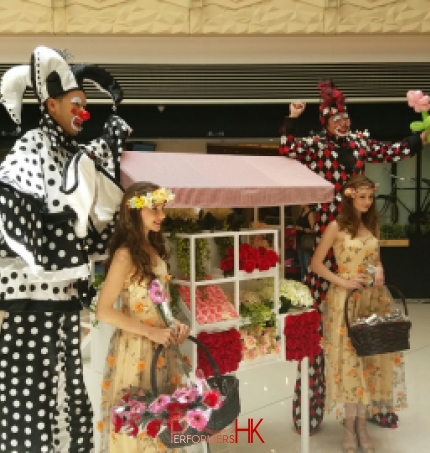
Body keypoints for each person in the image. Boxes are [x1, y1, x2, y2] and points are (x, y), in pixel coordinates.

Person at [0, 46, 131, 452]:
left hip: (62, 296)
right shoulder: (31, 147)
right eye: (76, 104)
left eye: (85, 105)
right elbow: (14, 198)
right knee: (30, 383)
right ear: (51, 104)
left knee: (65, 378)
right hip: (30, 294)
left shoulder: (70, 152)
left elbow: (93, 194)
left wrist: (110, 135)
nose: (82, 112)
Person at [279, 80, 426, 433]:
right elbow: (288, 150)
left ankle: (373, 407)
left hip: (358, 245)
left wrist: (419, 138)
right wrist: (292, 120)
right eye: (336, 117)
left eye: (346, 116)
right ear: (325, 122)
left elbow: (392, 151)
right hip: (329, 244)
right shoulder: (316, 147)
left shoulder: (359, 143)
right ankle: (311, 410)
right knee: (320, 335)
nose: (343, 122)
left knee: (369, 330)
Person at [310, 175, 407, 453]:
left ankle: (362, 423)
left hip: (372, 300)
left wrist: (379, 269)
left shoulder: (372, 224)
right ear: (350, 196)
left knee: (370, 360)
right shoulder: (336, 227)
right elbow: (316, 264)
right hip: (346, 300)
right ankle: (350, 425)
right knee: (350, 362)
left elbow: (375, 257)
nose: (367, 202)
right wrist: (342, 281)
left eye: (370, 196)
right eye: (361, 196)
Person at [96, 181, 190, 453]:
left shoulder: (154, 249)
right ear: (135, 211)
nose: (161, 215)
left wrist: (177, 325)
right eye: (154, 209)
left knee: (162, 423)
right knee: (136, 424)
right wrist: (150, 332)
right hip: (135, 350)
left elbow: (163, 304)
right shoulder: (125, 255)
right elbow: (104, 310)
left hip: (163, 347)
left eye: (162, 208)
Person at [295, 205, 315, 279]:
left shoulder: (310, 213)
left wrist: (302, 229)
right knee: (301, 265)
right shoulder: (301, 212)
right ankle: (303, 282)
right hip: (299, 241)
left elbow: (313, 230)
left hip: (306, 242)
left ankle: (308, 282)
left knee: (306, 264)